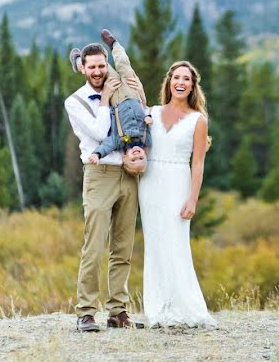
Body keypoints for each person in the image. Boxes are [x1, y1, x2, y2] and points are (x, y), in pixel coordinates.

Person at [63, 43, 146, 332]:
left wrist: (139, 93)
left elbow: (139, 117)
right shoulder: (76, 101)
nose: (98, 72)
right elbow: (100, 133)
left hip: (128, 174)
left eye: (102, 66)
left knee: (123, 247)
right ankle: (85, 311)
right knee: (94, 245)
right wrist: (105, 98)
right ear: (83, 69)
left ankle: (117, 311)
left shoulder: (119, 85)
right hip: (99, 175)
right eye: (92, 67)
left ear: (106, 65)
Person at [137, 60, 217, 328]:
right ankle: (159, 308)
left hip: (178, 182)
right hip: (149, 183)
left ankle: (187, 307)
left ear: (193, 86)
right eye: (177, 78)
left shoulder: (198, 120)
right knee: (155, 243)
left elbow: (198, 163)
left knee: (176, 242)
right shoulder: (153, 112)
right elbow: (142, 148)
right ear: (169, 82)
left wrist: (193, 198)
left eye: (186, 79)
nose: (181, 83)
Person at [76, 30, 152, 168]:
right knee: (124, 64)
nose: (137, 155)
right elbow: (148, 114)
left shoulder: (119, 141)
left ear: (124, 158)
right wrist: (148, 115)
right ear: (145, 154)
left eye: (133, 160)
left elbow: (107, 144)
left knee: (104, 70)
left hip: (117, 97)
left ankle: (78, 61)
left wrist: (97, 154)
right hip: (134, 92)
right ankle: (114, 44)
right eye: (141, 158)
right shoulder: (147, 140)